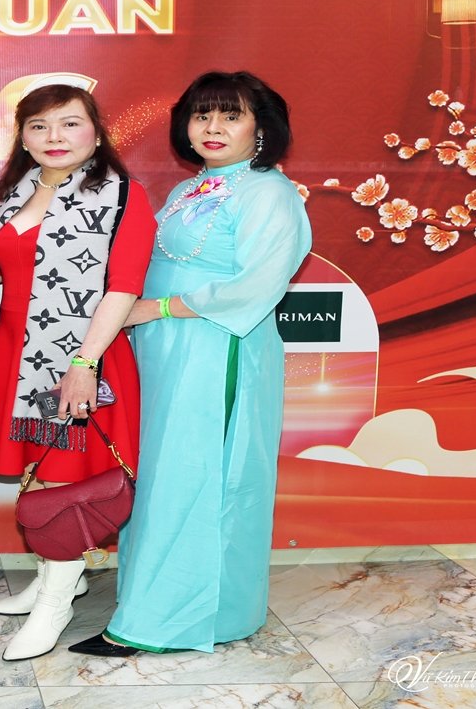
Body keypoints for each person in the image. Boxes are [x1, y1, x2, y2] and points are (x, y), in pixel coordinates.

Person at [70, 70, 312, 657]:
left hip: (216, 347)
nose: (212, 127)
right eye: (202, 115)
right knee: (163, 474)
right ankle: (162, 603)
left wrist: (157, 308)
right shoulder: (193, 187)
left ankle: (168, 622)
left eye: (231, 115)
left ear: (261, 127)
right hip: (164, 350)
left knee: (198, 475)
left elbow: (256, 285)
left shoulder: (269, 192)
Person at [0, 84, 156, 661]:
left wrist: (82, 365)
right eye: (39, 125)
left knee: (62, 476)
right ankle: (56, 580)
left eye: (69, 123)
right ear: (23, 138)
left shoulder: (122, 195)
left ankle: (55, 604)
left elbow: (123, 287)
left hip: (80, 360)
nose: (54, 137)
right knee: (38, 468)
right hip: (15, 357)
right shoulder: (17, 193)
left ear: (96, 134)